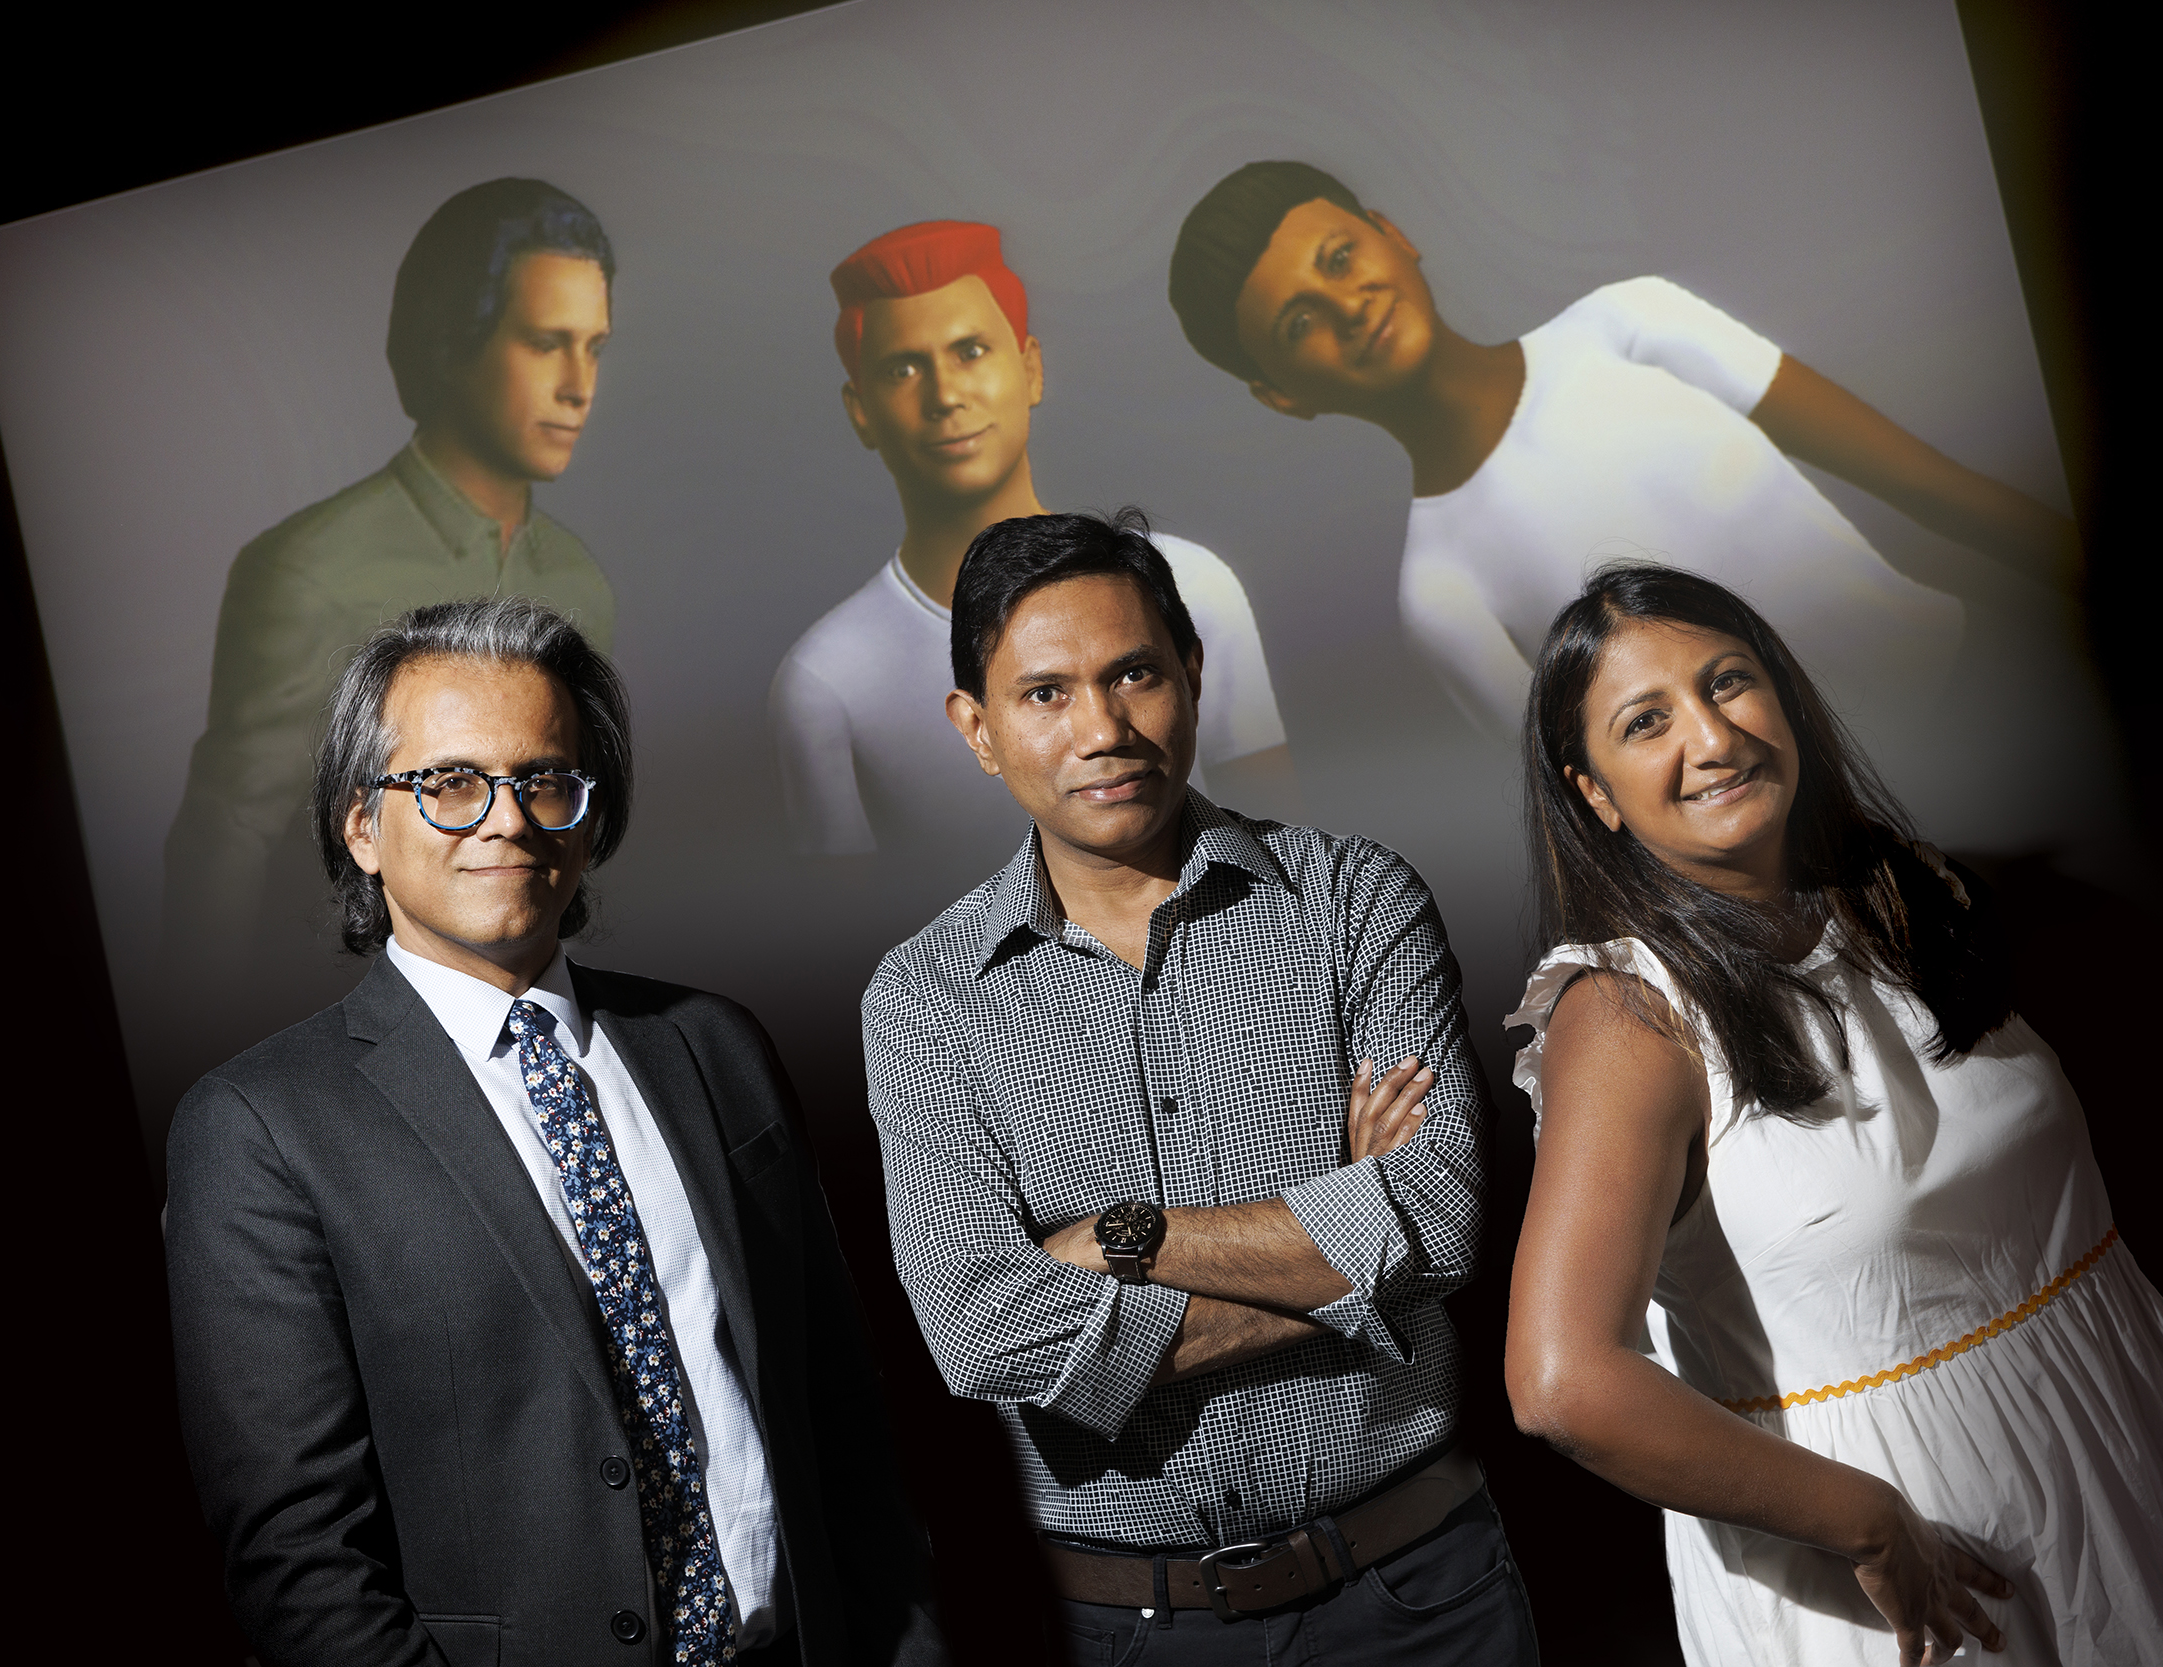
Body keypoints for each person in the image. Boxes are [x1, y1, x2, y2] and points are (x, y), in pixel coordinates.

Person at [1500, 564, 2163, 1665]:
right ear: (1592, 792)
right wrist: (1865, 1522)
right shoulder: (1627, 1015)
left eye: (1728, 683)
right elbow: (1563, 1382)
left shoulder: (1906, 890)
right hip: (1910, 1569)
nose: (1713, 737)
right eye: (1647, 721)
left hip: (2121, 1440)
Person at [165, 598, 943, 1667]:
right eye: (448, 783)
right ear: (360, 826)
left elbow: (842, 1416)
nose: (507, 819)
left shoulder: (713, 1045)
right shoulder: (259, 1127)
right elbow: (300, 1559)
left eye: (544, 778)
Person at [862, 509, 1539, 1663]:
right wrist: (1343, 1250)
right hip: (1138, 1630)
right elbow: (980, 1332)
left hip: (1423, 1593)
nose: (1104, 727)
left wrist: (1114, 1239)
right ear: (975, 729)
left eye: (1134, 673)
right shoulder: (926, 999)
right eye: (1046, 693)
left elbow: (1437, 1218)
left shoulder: (1351, 900)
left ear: (1193, 673)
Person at [1168, 161, 2080, 737]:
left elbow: (1922, 481)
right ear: (1283, 396)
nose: (1347, 305)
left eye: (1338, 257)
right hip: (1838, 870)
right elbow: (1601, 808)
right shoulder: (1439, 594)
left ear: (1392, 235)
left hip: (1997, 699)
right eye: (1298, 324)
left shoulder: (1630, 323)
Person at [162, 178, 619, 1013]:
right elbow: (226, 839)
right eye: (545, 341)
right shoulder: (310, 566)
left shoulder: (575, 574)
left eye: (593, 345)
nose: (577, 382)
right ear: (451, 342)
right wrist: (201, 1042)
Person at [771, 220, 1294, 858]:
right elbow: (836, 932)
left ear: (1030, 369)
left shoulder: (1193, 584)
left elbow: (1280, 856)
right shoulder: (825, 680)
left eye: (970, 351)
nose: (946, 395)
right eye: (904, 367)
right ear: (861, 409)